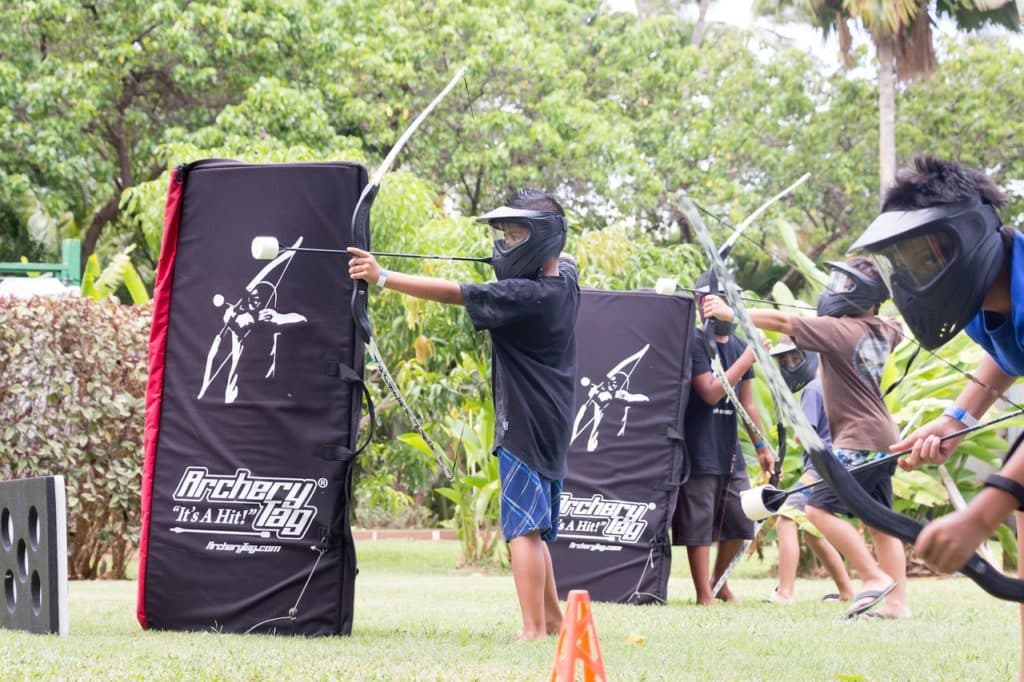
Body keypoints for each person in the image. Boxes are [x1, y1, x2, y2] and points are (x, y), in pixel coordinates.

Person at [348, 188, 579, 641]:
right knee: (537, 526)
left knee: (523, 530)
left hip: (526, 424)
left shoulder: (526, 296)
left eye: (517, 234)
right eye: (506, 233)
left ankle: (533, 630)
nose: (507, 242)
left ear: (542, 240)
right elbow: (561, 260)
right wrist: (523, 256)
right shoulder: (564, 281)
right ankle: (553, 620)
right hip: (551, 420)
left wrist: (382, 276)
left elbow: (455, 292)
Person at [848, 157, 1024, 670]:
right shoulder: (983, 306)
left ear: (963, 239)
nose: (910, 274)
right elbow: (1006, 352)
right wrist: (956, 420)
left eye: (921, 256)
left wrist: (979, 516)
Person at [704, 257, 910, 619]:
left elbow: (785, 322)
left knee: (816, 508)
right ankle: (898, 605)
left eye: (844, 284)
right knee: (881, 521)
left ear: (861, 294)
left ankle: (873, 577)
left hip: (857, 439)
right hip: (882, 437)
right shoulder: (883, 329)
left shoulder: (839, 330)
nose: (834, 290)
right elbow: (896, 323)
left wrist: (731, 310)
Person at [671, 272, 774, 605]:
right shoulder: (695, 341)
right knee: (698, 522)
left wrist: (761, 446)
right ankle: (704, 593)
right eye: (707, 301)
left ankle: (719, 582)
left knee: (743, 516)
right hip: (698, 446)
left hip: (729, 449)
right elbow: (711, 393)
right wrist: (750, 358)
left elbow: (747, 402)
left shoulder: (741, 346)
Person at [767, 338, 853, 605]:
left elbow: (806, 435)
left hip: (821, 468)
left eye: (794, 358)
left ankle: (785, 592)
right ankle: (847, 592)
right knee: (812, 533)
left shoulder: (813, 390)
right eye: (784, 361)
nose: (789, 365)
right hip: (836, 465)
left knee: (786, 517)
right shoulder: (834, 384)